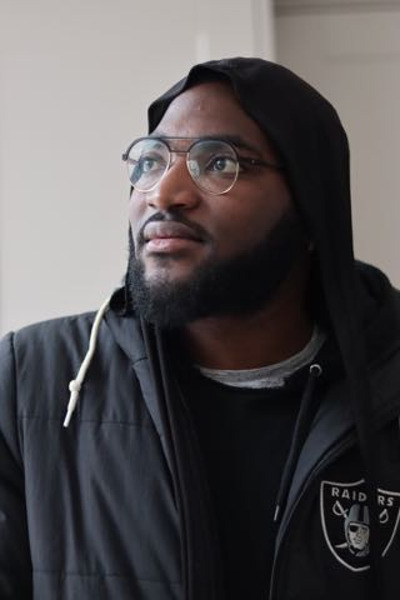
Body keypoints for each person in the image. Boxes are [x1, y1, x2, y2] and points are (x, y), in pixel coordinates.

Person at [0, 57, 399, 600]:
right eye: (150, 161)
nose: (164, 193)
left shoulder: (387, 378)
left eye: (219, 163)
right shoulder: (29, 381)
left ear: (311, 209)